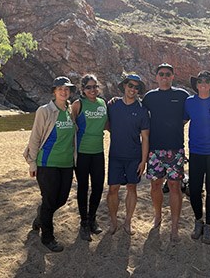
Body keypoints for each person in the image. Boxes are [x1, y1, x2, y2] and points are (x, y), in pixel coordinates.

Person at [23, 76, 77, 252]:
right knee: (49, 199)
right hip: (47, 163)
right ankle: (48, 237)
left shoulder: (70, 111)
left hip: (67, 163)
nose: (64, 91)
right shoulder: (44, 111)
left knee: (60, 200)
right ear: (54, 91)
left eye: (67, 89)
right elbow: (35, 137)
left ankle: (40, 218)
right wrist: (32, 163)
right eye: (60, 88)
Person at [143, 63, 189, 242]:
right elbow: (139, 112)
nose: (164, 76)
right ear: (156, 77)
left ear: (172, 76)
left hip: (175, 149)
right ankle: (158, 216)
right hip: (154, 150)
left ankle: (175, 225)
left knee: (175, 186)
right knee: (155, 186)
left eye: (167, 74)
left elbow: (187, 116)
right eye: (161, 74)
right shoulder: (149, 97)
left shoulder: (182, 95)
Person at [183, 70, 210, 244]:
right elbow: (181, 121)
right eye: (199, 81)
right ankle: (198, 220)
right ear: (196, 84)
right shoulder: (189, 102)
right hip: (196, 152)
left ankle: (209, 224)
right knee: (194, 190)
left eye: (206, 81)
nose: (202, 83)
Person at [107, 74, 150, 235]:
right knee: (113, 189)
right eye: (130, 85)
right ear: (124, 86)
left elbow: (145, 137)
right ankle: (113, 221)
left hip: (134, 156)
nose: (133, 89)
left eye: (136, 87)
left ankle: (127, 222)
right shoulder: (112, 105)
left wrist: (143, 161)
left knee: (132, 187)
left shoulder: (142, 111)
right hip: (115, 156)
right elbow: (106, 125)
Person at [72, 74, 108, 241]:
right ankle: (84, 222)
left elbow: (109, 125)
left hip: (98, 152)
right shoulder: (78, 104)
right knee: (83, 188)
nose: (92, 90)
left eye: (95, 87)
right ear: (83, 89)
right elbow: (70, 127)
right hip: (82, 153)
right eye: (89, 87)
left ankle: (92, 218)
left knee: (98, 186)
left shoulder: (103, 104)